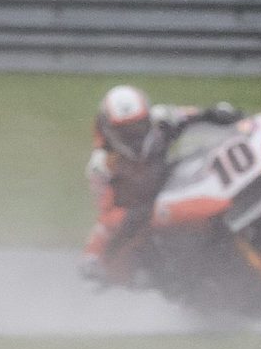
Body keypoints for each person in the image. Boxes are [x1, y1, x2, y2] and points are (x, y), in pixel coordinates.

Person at [81, 84, 246, 286]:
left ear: (147, 119)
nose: (134, 137)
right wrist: (96, 255)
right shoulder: (102, 166)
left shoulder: (162, 119)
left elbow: (199, 115)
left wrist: (221, 114)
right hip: (148, 222)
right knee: (158, 270)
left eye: (138, 127)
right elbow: (107, 217)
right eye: (126, 132)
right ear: (109, 130)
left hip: (178, 189)